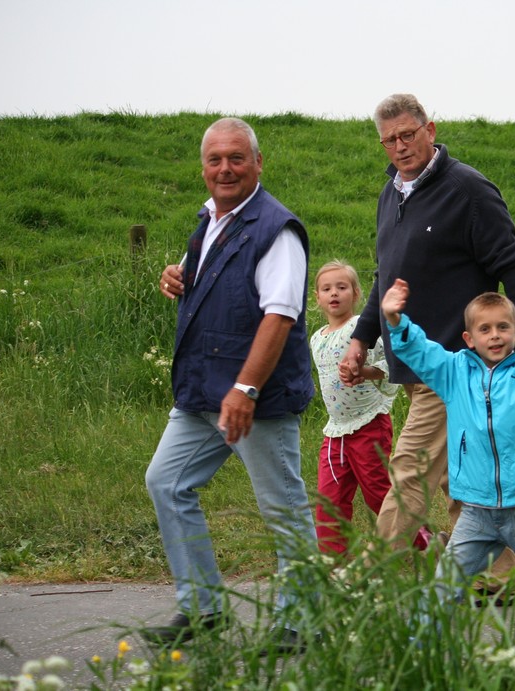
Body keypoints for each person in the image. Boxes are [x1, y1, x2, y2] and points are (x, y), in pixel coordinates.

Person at [341, 94, 515, 588]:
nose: (399, 146)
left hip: (455, 362)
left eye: (407, 134)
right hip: (413, 363)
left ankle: (371, 572)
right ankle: (497, 577)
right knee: (459, 474)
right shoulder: (390, 195)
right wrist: (362, 338)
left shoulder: (466, 189)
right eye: (389, 140)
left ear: (430, 130)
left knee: (410, 467)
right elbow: (384, 279)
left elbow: (512, 261)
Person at [143, 117, 317, 653]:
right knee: (166, 483)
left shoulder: (277, 230)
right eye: (215, 159)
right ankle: (203, 609)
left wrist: (246, 389)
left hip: (254, 398)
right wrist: (177, 275)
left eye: (236, 158)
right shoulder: (210, 221)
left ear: (258, 163)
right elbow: (215, 282)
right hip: (202, 391)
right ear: (203, 167)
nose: (225, 168)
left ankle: (304, 621)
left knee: (282, 505)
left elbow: (279, 316)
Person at [381, 265, 515, 642]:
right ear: (469, 338)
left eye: (503, 327)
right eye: (485, 329)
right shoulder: (455, 373)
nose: (495, 335)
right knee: (446, 583)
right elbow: (421, 352)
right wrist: (396, 320)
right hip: (476, 510)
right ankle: (422, 648)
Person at [310, 260, 430, 555]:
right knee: (330, 498)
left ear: (356, 293)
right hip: (335, 431)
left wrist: (364, 372)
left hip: (368, 424)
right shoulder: (316, 338)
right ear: (317, 297)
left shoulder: (360, 329)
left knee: (379, 493)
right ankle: (333, 559)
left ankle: (423, 542)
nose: (334, 293)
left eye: (342, 287)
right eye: (326, 289)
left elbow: (389, 363)